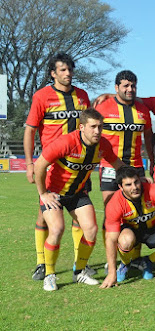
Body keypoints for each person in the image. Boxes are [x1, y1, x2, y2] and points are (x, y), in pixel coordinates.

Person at [33, 109, 125, 291]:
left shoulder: (103, 145)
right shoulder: (66, 142)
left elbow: (118, 165)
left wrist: (135, 179)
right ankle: (50, 275)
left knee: (91, 229)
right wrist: (43, 193)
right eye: (93, 127)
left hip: (77, 194)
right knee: (57, 229)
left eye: (100, 127)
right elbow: (40, 165)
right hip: (54, 193)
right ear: (82, 127)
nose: (97, 131)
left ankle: (79, 272)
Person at [24, 52, 92, 281]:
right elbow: (30, 130)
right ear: (53, 73)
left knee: (78, 216)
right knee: (45, 215)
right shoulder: (42, 96)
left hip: (79, 164)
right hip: (51, 166)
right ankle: (41, 263)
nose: (67, 74)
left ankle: (78, 264)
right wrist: (29, 164)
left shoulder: (82, 96)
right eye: (62, 70)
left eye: (70, 69)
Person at [95, 70, 154, 265]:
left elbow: (148, 137)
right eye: (125, 86)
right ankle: (109, 257)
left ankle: (133, 257)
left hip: (136, 167)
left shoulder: (142, 110)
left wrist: (151, 161)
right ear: (116, 87)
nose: (130, 89)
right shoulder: (103, 107)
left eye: (133, 85)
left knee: (137, 212)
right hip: (110, 168)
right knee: (111, 213)